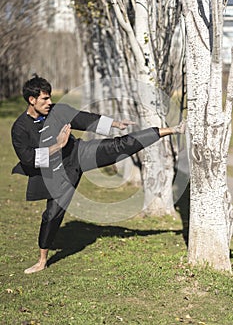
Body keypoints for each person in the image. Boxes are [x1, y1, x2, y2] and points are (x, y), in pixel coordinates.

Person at [11, 74, 185, 274]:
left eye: (50, 97)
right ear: (31, 100)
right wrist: (57, 145)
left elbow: (83, 119)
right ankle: (42, 260)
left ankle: (172, 129)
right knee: (52, 215)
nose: (50, 102)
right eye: (44, 99)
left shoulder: (57, 111)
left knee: (119, 145)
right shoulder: (19, 128)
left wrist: (115, 124)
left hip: (79, 153)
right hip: (59, 173)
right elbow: (28, 158)